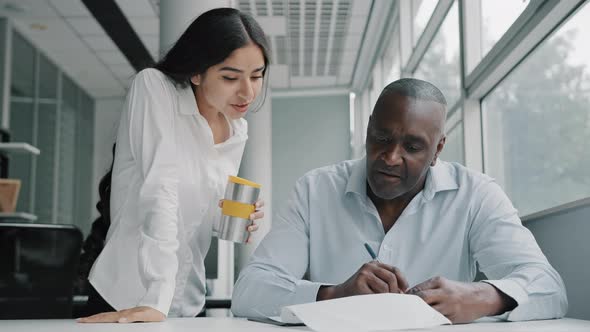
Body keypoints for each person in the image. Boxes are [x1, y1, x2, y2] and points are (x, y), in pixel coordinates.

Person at [231, 78, 568, 323]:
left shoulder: (476, 194)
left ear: (437, 150)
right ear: (367, 131)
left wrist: (482, 297)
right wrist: (334, 294)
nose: (391, 157)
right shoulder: (315, 190)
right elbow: (250, 292)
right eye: (382, 138)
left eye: (412, 147)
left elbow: (549, 287)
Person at [77, 7, 270, 323]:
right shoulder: (154, 88)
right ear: (196, 72)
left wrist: (233, 218)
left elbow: (198, 215)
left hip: (186, 302)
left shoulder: (238, 130)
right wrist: (157, 299)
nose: (247, 91)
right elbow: (161, 190)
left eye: (257, 75)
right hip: (128, 298)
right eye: (230, 77)